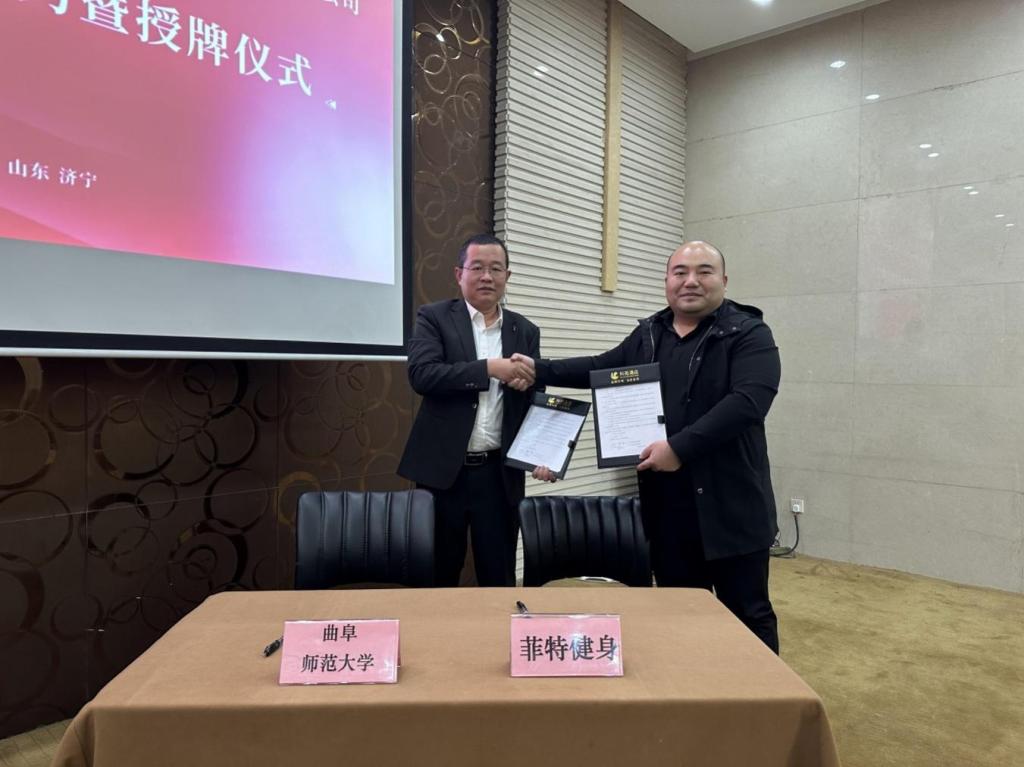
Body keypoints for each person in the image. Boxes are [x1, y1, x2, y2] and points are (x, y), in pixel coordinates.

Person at [513, 241, 782, 652]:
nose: (691, 281)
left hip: (732, 506)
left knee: (747, 613)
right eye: (680, 272)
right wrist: (538, 370)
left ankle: (758, 693)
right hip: (668, 505)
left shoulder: (749, 333)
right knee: (679, 613)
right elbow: (601, 367)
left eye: (704, 271)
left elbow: (748, 403)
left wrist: (679, 448)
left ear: (724, 281)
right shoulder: (650, 334)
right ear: (667, 281)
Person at [398, 233, 544, 587]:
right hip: (443, 473)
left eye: (496, 269)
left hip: (499, 475)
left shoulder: (525, 330)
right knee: (437, 573)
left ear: (507, 276)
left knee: (498, 574)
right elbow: (423, 375)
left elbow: (536, 397)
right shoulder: (434, 317)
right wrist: (489, 368)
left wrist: (542, 453)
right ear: (458, 274)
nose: (487, 277)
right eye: (477, 267)